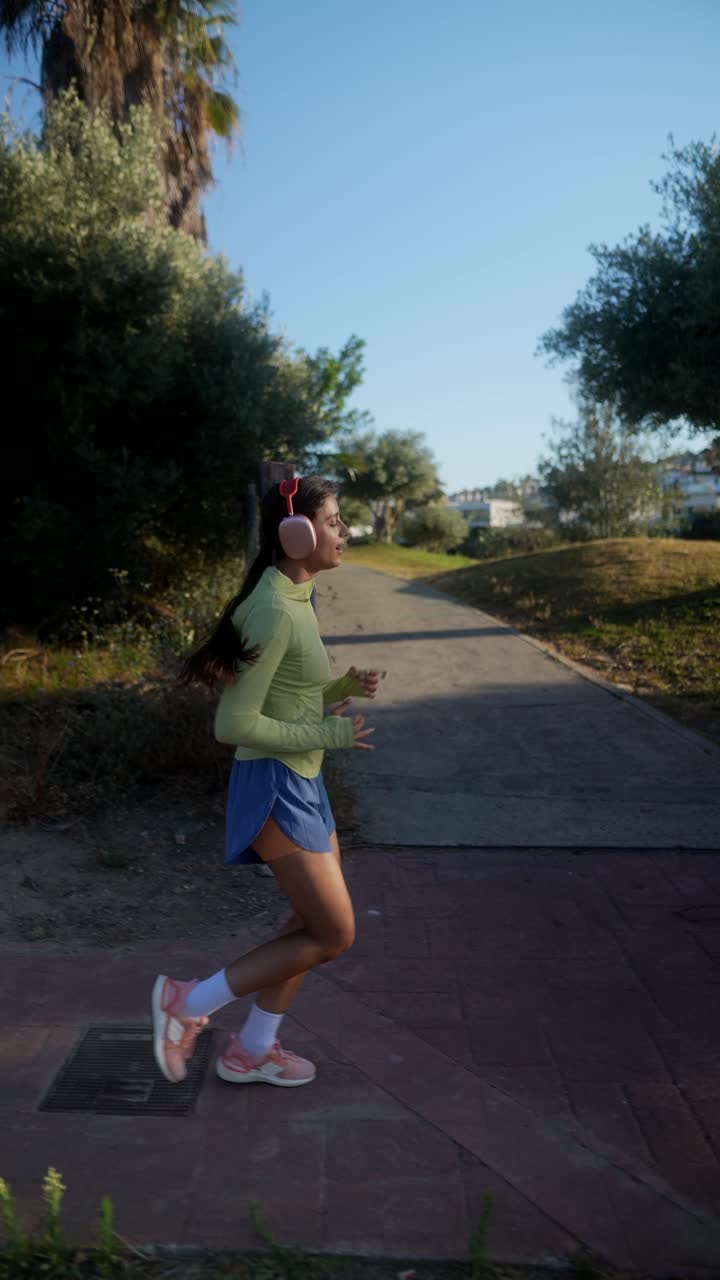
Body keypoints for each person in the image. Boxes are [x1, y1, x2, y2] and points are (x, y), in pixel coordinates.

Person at [151, 475, 382, 1088]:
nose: (345, 531)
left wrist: (339, 691)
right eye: (334, 521)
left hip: (303, 781)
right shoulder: (274, 608)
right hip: (276, 785)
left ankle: (252, 1050)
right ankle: (188, 1003)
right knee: (334, 932)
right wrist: (331, 734)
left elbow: (289, 698)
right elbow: (235, 722)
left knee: (309, 927)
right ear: (297, 533)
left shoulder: (293, 596)